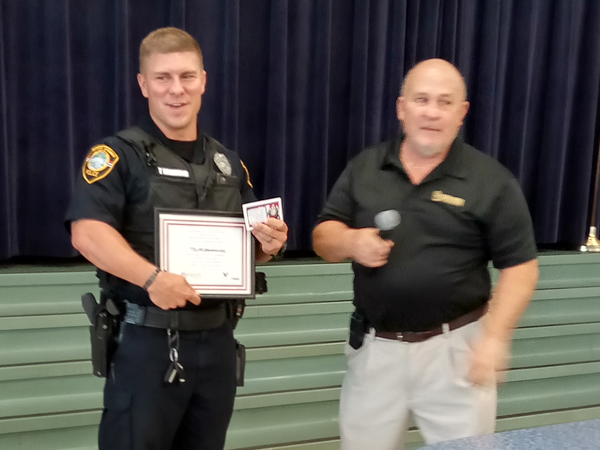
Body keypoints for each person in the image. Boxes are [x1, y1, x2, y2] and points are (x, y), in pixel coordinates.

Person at [66, 27, 287, 450]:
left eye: (187, 76)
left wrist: (269, 243)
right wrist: (152, 280)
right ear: (143, 84)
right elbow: (87, 233)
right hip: (146, 344)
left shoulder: (228, 164)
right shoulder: (117, 156)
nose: (176, 90)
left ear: (204, 80)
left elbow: (252, 244)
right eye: (163, 77)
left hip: (217, 341)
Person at [312, 59, 538, 449]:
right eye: (421, 100)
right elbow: (322, 235)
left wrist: (495, 338)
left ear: (461, 113)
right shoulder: (366, 168)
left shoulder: (492, 181)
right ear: (402, 108)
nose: (432, 112)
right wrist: (350, 243)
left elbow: (521, 267)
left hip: (457, 352)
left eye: (445, 102)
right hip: (375, 352)